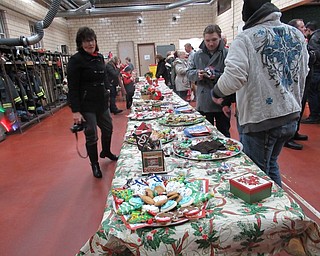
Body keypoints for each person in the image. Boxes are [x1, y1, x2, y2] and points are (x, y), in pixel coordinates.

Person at [211, 0, 309, 187]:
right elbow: (304, 70)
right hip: (290, 114)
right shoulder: (296, 34)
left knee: (257, 175)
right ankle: (279, 211)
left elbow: (233, 78)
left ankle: (270, 212)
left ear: (247, 16)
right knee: (270, 164)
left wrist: (216, 91)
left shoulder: (246, 38)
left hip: (262, 119)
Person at [67, 27, 118, 179]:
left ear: (96, 41)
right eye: (86, 41)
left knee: (108, 128)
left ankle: (106, 151)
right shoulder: (76, 60)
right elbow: (73, 87)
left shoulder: (100, 57)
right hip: (86, 106)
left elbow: (104, 79)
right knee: (92, 135)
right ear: (80, 43)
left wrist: (108, 92)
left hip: (101, 103)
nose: (90, 44)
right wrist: (75, 111)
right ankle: (95, 165)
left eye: (92, 40)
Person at [187, 24, 234, 137]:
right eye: (207, 40)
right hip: (204, 100)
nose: (211, 43)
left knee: (224, 133)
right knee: (203, 134)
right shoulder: (197, 55)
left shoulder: (227, 53)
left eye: (214, 40)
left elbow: (232, 75)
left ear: (220, 38)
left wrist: (216, 76)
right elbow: (188, 73)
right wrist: (197, 74)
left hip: (222, 100)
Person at [282, 18, 309, 150]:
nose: (304, 29)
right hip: (292, 82)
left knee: (300, 107)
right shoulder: (289, 42)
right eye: (302, 27)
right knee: (292, 109)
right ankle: (288, 138)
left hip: (303, 79)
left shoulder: (302, 41)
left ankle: (295, 132)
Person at [301, 21, 320, 124]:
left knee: (312, 92)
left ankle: (314, 115)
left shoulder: (313, 39)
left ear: (308, 30)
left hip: (316, 69)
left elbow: (314, 55)